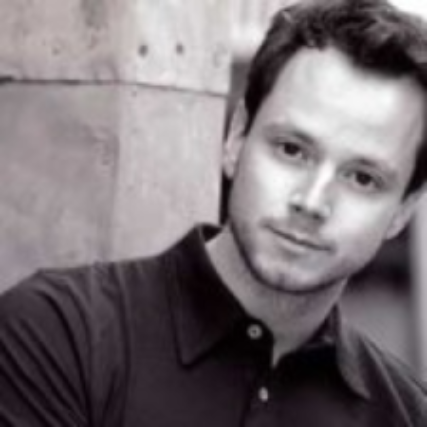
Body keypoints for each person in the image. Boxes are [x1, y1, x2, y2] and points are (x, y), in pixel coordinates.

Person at [1, 0, 427, 425]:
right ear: (237, 138)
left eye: (363, 178)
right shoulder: (58, 333)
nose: (312, 202)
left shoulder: (407, 414)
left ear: (403, 210)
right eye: (291, 150)